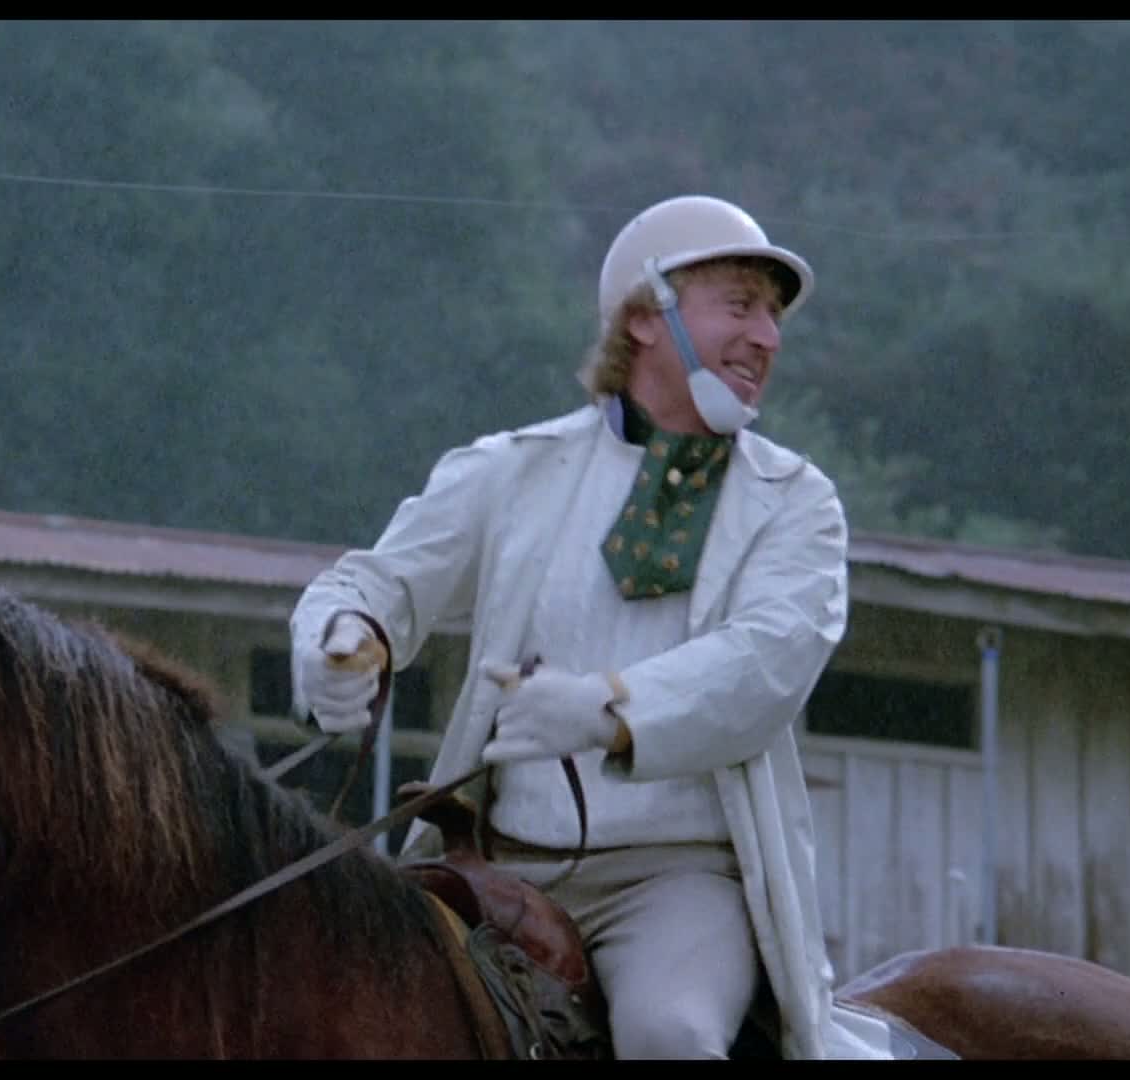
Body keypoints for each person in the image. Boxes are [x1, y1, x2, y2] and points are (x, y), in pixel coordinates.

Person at [289, 195, 898, 1060]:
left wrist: (606, 708)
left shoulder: (794, 502)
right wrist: (341, 638)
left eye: (771, 315)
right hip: (494, 868)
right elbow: (377, 582)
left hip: (679, 880)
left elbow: (765, 665)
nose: (767, 337)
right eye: (740, 306)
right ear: (646, 317)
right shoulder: (512, 470)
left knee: (669, 1037)